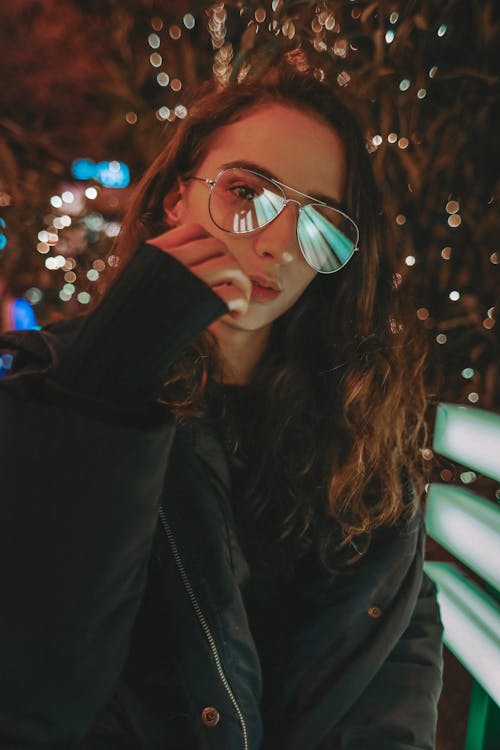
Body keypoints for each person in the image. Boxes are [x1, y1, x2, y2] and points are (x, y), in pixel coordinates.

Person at [0, 50, 443, 749]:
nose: (275, 244)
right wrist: (117, 370)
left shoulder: (363, 426)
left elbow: (397, 655)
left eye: (317, 221)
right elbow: (36, 682)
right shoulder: (55, 382)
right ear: (178, 197)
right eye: (246, 192)